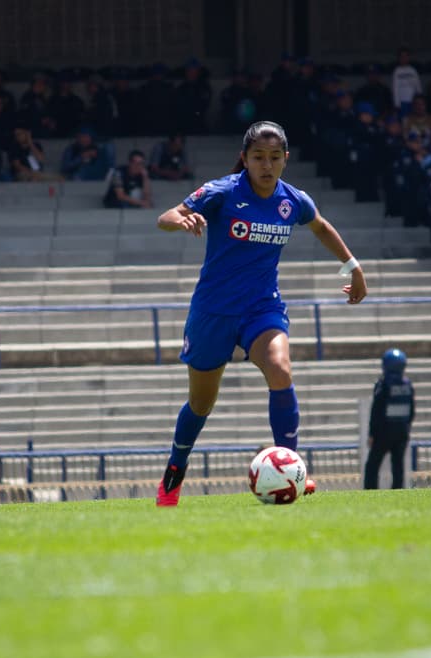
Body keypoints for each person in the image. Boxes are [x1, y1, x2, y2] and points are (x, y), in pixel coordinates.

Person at [153, 121, 367, 506]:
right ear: (245, 160)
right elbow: (166, 216)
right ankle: (174, 470)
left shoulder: (293, 200)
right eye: (258, 158)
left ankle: (293, 468)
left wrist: (352, 266)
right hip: (213, 311)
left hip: (261, 307)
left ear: (285, 160)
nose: (266, 166)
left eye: (273, 158)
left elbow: (320, 227)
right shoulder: (222, 191)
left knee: (280, 369)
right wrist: (182, 220)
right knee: (201, 403)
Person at [364, 348, 416, 490]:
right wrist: (406, 428)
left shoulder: (384, 384)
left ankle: (370, 491)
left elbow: (376, 411)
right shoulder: (407, 385)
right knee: (398, 466)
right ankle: (397, 491)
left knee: (372, 466)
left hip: (383, 433)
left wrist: (372, 433)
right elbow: (411, 411)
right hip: (401, 432)